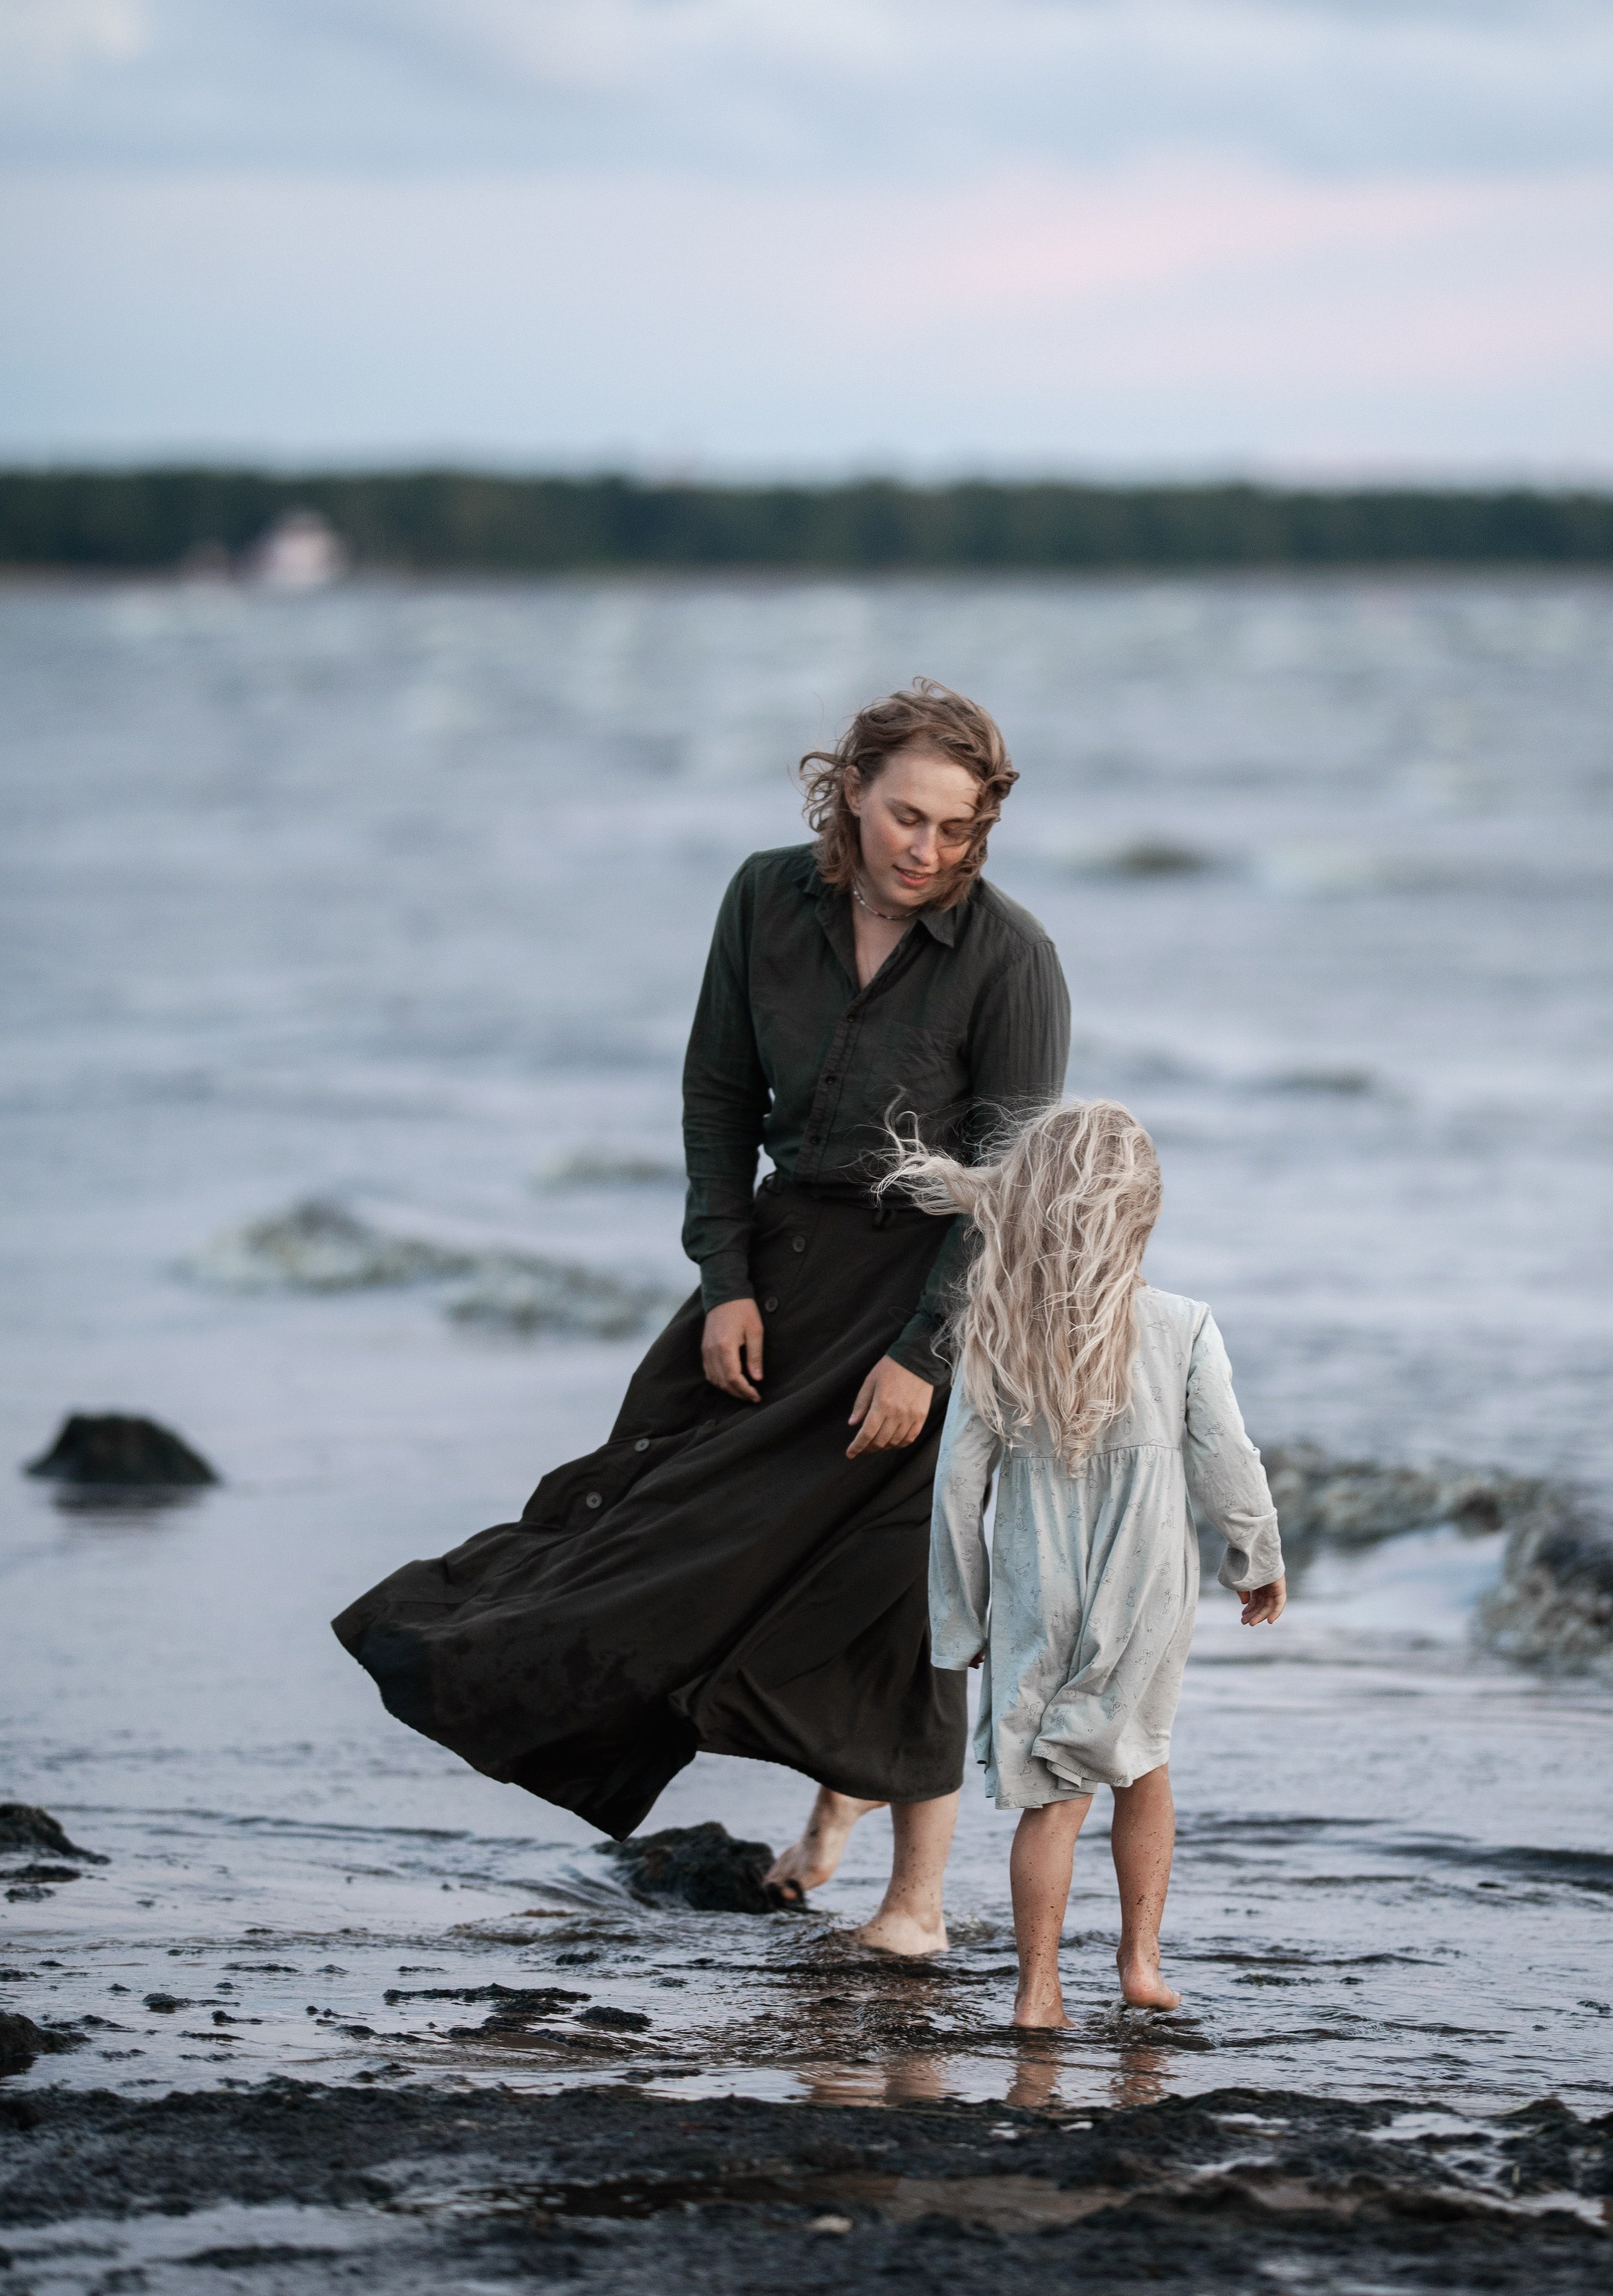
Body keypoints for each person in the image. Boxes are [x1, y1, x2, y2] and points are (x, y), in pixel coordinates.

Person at [334, 682, 1070, 1953]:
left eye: (957, 831)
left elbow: (1013, 1191)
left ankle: (916, 1908)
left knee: (902, 1581)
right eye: (907, 816)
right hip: (779, 1282)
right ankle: (778, 1786)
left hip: (930, 1294)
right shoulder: (763, 900)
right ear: (850, 789)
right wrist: (724, 1281)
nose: (927, 851)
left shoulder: (1010, 959)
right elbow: (719, 1103)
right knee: (660, 1532)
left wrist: (922, 1359)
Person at [891, 1098, 1285, 2028]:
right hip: (1144, 1584)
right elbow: (1227, 1456)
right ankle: (1140, 1964)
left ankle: (1038, 1993)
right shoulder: (1182, 1325)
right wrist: (1254, 1553)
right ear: (1141, 1213)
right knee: (1142, 1767)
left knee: (1052, 1800)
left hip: (1033, 1591)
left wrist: (963, 1615)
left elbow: (954, 1488)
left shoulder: (993, 1334)